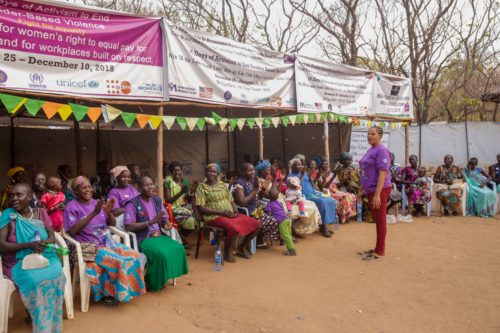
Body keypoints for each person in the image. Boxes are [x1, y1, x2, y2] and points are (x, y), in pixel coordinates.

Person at [64, 176, 145, 307]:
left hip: (107, 242)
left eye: (89, 187)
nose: (88, 189)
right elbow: (72, 231)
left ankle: (130, 289)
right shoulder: (71, 206)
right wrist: (94, 213)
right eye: (84, 187)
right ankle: (115, 294)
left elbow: (111, 223)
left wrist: (108, 212)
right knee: (119, 260)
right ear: (76, 191)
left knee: (134, 255)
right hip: (88, 246)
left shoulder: (97, 203)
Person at [0, 183, 64, 332]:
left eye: (19, 195)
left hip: (44, 256)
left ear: (29, 197)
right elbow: (2, 245)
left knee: (57, 275)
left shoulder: (41, 213)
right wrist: (29, 245)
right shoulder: (8, 215)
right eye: (12, 196)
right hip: (17, 261)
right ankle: (38, 318)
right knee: (34, 280)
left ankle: (47, 319)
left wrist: (40, 245)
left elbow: (51, 238)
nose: (14, 199)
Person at [124, 176, 188, 291]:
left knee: (178, 248)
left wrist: (166, 222)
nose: (150, 187)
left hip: (158, 235)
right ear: (139, 188)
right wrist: (150, 222)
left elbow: (163, 216)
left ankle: (165, 276)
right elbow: (128, 226)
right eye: (146, 185)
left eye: (151, 184)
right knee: (160, 254)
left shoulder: (156, 200)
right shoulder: (132, 203)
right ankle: (153, 283)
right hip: (143, 238)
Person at [195, 164, 261, 263]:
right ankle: (227, 252)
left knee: (257, 224)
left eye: (214, 172)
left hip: (229, 214)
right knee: (233, 228)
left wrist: (235, 210)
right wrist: (222, 212)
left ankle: (242, 246)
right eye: (209, 171)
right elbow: (201, 208)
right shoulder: (201, 187)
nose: (212, 173)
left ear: (218, 174)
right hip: (213, 216)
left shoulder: (222, 185)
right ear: (205, 173)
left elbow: (231, 200)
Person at [358, 126, 392, 261]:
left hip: (380, 189)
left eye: (372, 134)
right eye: (368, 134)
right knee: (377, 220)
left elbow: (383, 173)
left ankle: (380, 251)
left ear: (380, 135)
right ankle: (377, 248)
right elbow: (363, 170)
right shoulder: (370, 150)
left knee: (380, 219)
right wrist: (361, 188)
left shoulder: (382, 151)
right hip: (370, 189)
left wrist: (377, 195)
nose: (369, 136)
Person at [233, 162, 280, 248]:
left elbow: (259, 196)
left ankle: (258, 240)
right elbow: (242, 202)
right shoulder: (239, 184)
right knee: (271, 220)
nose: (253, 172)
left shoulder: (252, 181)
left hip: (257, 210)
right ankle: (250, 242)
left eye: (253, 170)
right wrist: (255, 189)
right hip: (246, 213)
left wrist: (262, 190)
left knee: (276, 217)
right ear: (243, 172)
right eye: (250, 170)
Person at [288, 158, 337, 237]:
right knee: (321, 202)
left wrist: (313, 177)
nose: (300, 166)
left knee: (330, 201)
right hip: (303, 196)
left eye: (301, 165)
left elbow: (313, 185)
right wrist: (302, 175)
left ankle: (324, 225)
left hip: (313, 193)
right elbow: (296, 186)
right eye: (298, 165)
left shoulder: (306, 173)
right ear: (293, 166)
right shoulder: (291, 175)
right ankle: (323, 227)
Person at [163, 161, 197, 247]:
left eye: (179, 170)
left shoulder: (185, 182)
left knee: (199, 215)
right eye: (175, 170)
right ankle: (181, 239)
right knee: (190, 216)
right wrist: (181, 192)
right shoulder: (168, 182)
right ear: (171, 172)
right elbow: (168, 200)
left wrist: (192, 194)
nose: (177, 172)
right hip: (173, 207)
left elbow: (186, 198)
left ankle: (181, 237)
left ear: (181, 170)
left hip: (184, 206)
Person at [265, 189, 296, 256]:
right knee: (288, 235)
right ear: (278, 196)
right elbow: (282, 209)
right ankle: (291, 247)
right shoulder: (279, 202)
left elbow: (268, 213)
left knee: (285, 235)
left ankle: (291, 250)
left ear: (268, 197)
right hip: (287, 219)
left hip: (282, 221)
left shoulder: (269, 204)